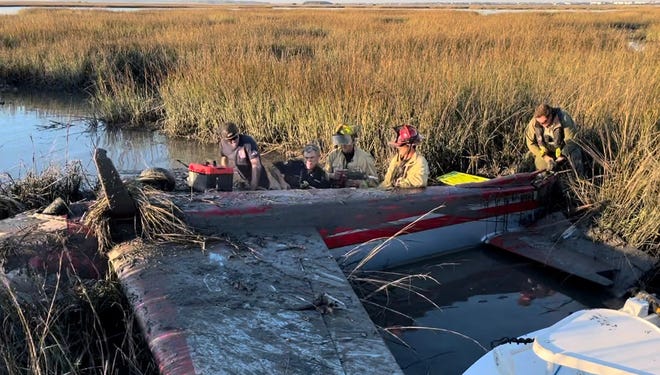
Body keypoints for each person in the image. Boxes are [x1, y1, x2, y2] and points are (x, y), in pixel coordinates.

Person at [525, 103, 584, 176]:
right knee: (540, 168)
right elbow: (530, 143)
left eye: (545, 121)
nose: (544, 125)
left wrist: (562, 155)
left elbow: (572, 140)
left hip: (564, 149)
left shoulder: (564, 118)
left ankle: (578, 181)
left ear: (550, 115)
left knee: (575, 154)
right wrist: (545, 157)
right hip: (545, 151)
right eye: (541, 123)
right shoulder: (534, 122)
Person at [218, 121, 269, 190]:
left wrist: (253, 187)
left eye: (235, 137)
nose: (233, 141)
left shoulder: (248, 142)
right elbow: (224, 158)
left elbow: (256, 164)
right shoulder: (222, 144)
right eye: (230, 140)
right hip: (241, 179)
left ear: (238, 134)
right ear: (225, 139)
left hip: (258, 180)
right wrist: (225, 178)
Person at [380, 125, 429, 189]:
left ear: (410, 145)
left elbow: (420, 181)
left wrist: (399, 183)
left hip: (410, 197)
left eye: (400, 146)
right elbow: (387, 181)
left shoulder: (419, 161)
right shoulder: (396, 159)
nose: (398, 148)